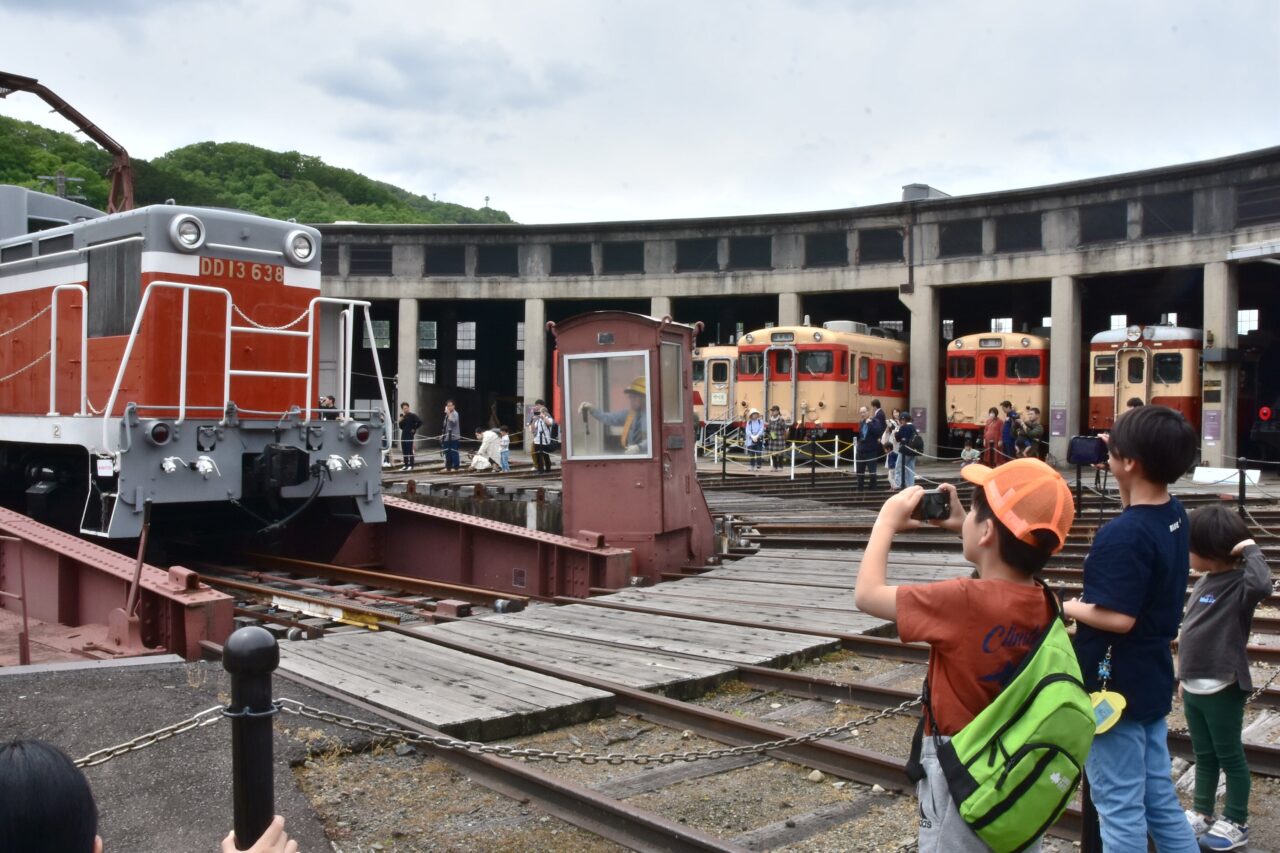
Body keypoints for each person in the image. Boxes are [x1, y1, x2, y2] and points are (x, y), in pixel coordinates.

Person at [855, 458, 1074, 852]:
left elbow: (867, 595)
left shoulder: (962, 601)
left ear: (987, 531)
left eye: (973, 510)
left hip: (959, 768)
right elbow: (1007, 564)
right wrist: (968, 527)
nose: (966, 516)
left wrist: (885, 522)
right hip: (1016, 765)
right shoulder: (1044, 601)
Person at [1062, 404, 1200, 853]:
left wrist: (1072, 607)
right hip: (1152, 675)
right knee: (1158, 798)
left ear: (1130, 462)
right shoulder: (1174, 513)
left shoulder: (1124, 534)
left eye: (1112, 445)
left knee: (1118, 806)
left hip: (1112, 685)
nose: (1105, 449)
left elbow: (1119, 619)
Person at [1178, 505, 1271, 850]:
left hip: (1223, 682)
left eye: (1190, 546)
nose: (1186, 553)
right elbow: (1192, 632)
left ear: (1209, 549)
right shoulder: (1204, 580)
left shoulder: (1239, 585)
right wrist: (1183, 677)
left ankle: (1236, 819)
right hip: (1193, 683)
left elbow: (1263, 583)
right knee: (1203, 755)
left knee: (1229, 755)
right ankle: (1203, 812)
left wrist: (1249, 547)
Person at [580, 377, 648, 454]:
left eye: (635, 397)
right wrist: (592, 409)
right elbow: (610, 418)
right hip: (632, 457)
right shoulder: (630, 415)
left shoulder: (654, 416)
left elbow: (656, 439)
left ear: (645, 397)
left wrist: (639, 447)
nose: (631, 400)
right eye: (630, 397)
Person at [855, 404, 885, 490]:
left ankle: (872, 488)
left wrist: (870, 424)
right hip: (861, 450)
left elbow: (878, 432)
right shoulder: (861, 422)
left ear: (868, 412)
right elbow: (861, 435)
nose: (862, 414)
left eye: (864, 412)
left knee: (872, 471)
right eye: (861, 413)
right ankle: (860, 488)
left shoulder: (875, 421)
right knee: (860, 471)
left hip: (871, 450)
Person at [528, 400, 556, 474]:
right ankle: (540, 470)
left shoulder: (548, 418)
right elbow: (533, 430)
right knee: (538, 455)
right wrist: (533, 420)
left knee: (545, 455)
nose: (539, 414)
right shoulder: (538, 420)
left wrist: (543, 417)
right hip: (537, 440)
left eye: (540, 412)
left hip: (545, 440)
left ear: (544, 412)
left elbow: (549, 424)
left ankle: (548, 468)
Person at [895, 412, 920, 487]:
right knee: (910, 469)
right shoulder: (913, 427)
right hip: (913, 451)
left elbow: (898, 438)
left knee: (898, 468)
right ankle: (910, 486)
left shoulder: (904, 427)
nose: (900, 421)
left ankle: (898, 485)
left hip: (904, 451)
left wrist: (896, 431)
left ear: (903, 419)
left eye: (900, 420)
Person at [397, 402, 422, 471]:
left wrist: (414, 428)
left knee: (409, 450)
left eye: (407, 408)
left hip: (410, 435)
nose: (406, 409)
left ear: (408, 408)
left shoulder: (412, 415)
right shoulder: (403, 417)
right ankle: (405, 465)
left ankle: (411, 465)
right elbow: (401, 427)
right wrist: (400, 421)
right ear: (402, 409)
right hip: (404, 435)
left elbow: (420, 422)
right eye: (404, 408)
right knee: (404, 451)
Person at [883, 408, 901, 490]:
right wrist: (888, 428)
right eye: (894, 412)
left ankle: (896, 485)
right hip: (892, 444)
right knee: (891, 468)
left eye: (897, 412)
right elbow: (886, 434)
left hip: (898, 445)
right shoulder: (891, 422)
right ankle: (892, 485)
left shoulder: (901, 422)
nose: (896, 414)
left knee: (898, 467)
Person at [766, 405, 788, 471]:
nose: (772, 412)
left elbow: (785, 429)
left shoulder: (781, 420)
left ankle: (780, 467)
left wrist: (785, 438)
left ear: (778, 411)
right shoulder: (770, 419)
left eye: (774, 410)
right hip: (772, 438)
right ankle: (774, 467)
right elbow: (769, 428)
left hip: (779, 438)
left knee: (780, 453)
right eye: (772, 411)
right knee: (773, 453)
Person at [441, 400, 461, 471]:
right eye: (448, 406)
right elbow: (445, 425)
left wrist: (449, 414)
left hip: (453, 437)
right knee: (447, 453)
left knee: (454, 452)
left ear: (453, 406)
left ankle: (455, 467)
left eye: (450, 405)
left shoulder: (455, 413)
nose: (449, 407)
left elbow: (453, 422)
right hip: (447, 437)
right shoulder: (447, 414)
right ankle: (448, 467)